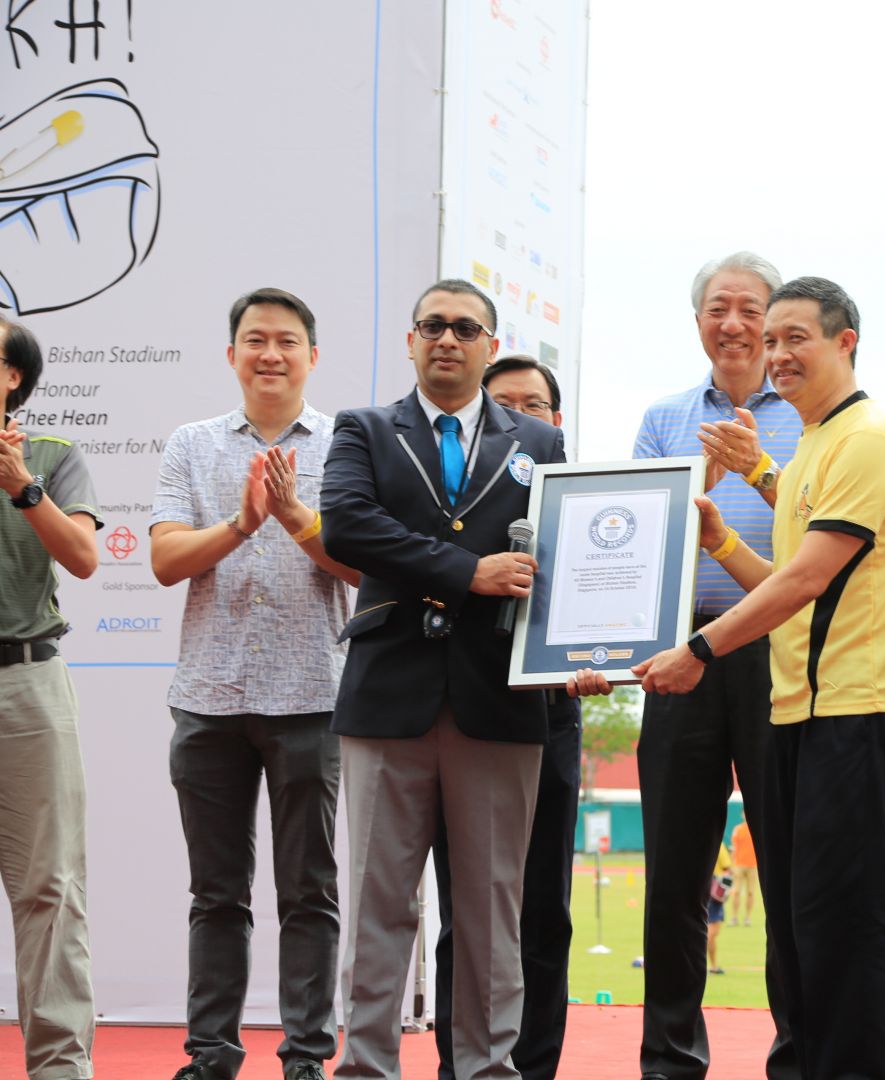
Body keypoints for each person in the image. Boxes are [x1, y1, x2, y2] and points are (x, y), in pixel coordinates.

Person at [625, 276, 885, 1080]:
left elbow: (803, 584)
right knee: (814, 923)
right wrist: (720, 540)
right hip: (806, 711)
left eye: (795, 337)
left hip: (858, 710)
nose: (778, 353)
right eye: (775, 340)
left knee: (851, 930)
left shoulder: (866, 438)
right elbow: (779, 578)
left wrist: (700, 650)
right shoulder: (814, 440)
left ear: (845, 342)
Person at [320, 278, 566, 1080]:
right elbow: (350, 526)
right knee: (379, 907)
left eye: (466, 327)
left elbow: (565, 565)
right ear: (411, 341)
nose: (448, 339)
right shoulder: (363, 429)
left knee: (493, 915)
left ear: (491, 345)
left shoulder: (542, 444)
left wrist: (585, 649)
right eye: (433, 325)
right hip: (389, 696)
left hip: (499, 701)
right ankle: (365, 1067)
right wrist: (469, 571)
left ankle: (487, 1070)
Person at [150, 288, 359, 1080]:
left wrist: (296, 516)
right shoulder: (192, 444)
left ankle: (306, 1054)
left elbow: (365, 570)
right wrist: (242, 523)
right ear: (231, 354)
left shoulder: (347, 443)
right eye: (254, 340)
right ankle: (211, 1054)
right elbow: (166, 561)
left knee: (310, 891)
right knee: (216, 894)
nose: (270, 354)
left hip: (314, 695)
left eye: (287, 341)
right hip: (208, 698)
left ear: (313, 355)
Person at [630, 251, 799, 1080]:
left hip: (783, 654)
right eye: (718, 308)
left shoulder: (811, 412)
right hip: (683, 654)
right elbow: (635, 536)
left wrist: (758, 471)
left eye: (750, 310)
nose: (733, 325)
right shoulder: (665, 419)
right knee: (674, 875)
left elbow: (820, 540)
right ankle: (669, 1061)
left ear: (774, 322)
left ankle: (797, 1056)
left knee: (791, 868)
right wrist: (708, 472)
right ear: (698, 320)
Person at [428, 352, 581, 1080]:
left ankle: (535, 1069)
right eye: (505, 405)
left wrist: (600, 657)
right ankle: (459, 1066)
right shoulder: (446, 505)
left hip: (550, 716)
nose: (520, 418)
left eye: (536, 406)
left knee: (543, 911)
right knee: (467, 914)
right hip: (466, 716)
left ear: (556, 425)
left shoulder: (586, 512)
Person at [0, 316, 99, 1080]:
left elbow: (85, 556)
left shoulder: (52, 457)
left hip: (26, 683)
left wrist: (19, 486)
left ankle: (59, 1071)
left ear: (12, 377)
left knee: (50, 887)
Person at [728, 814, 757, 927]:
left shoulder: (755, 829)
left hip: (753, 865)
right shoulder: (738, 829)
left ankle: (747, 918)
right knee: (736, 892)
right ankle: (734, 917)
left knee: (750, 893)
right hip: (739, 865)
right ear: (742, 815)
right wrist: (732, 865)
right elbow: (734, 848)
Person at [707, 844, 732, 976]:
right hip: (713, 886)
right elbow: (727, 869)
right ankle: (711, 966)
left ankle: (713, 965)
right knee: (712, 930)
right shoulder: (718, 843)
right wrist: (725, 891)